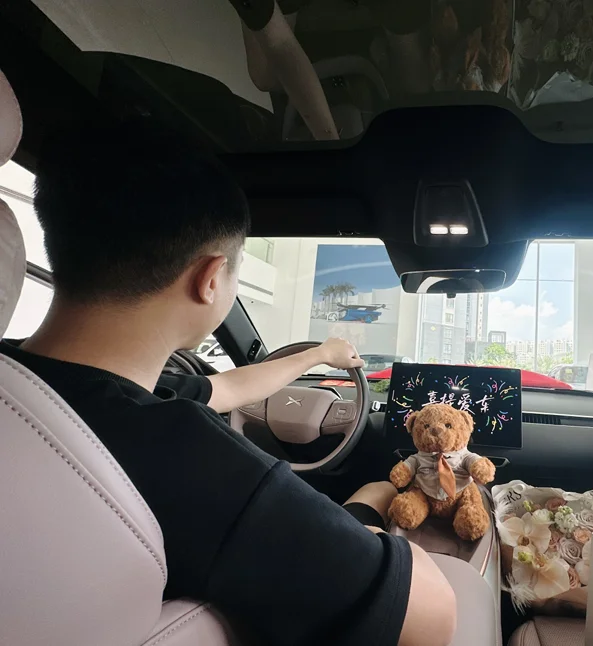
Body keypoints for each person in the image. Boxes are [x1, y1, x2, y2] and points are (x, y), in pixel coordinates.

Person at [0, 122, 456, 646]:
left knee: (376, 491)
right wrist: (365, 537)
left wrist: (320, 355)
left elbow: (229, 389)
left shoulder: (36, 389)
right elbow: (433, 618)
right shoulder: (186, 454)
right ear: (211, 279)